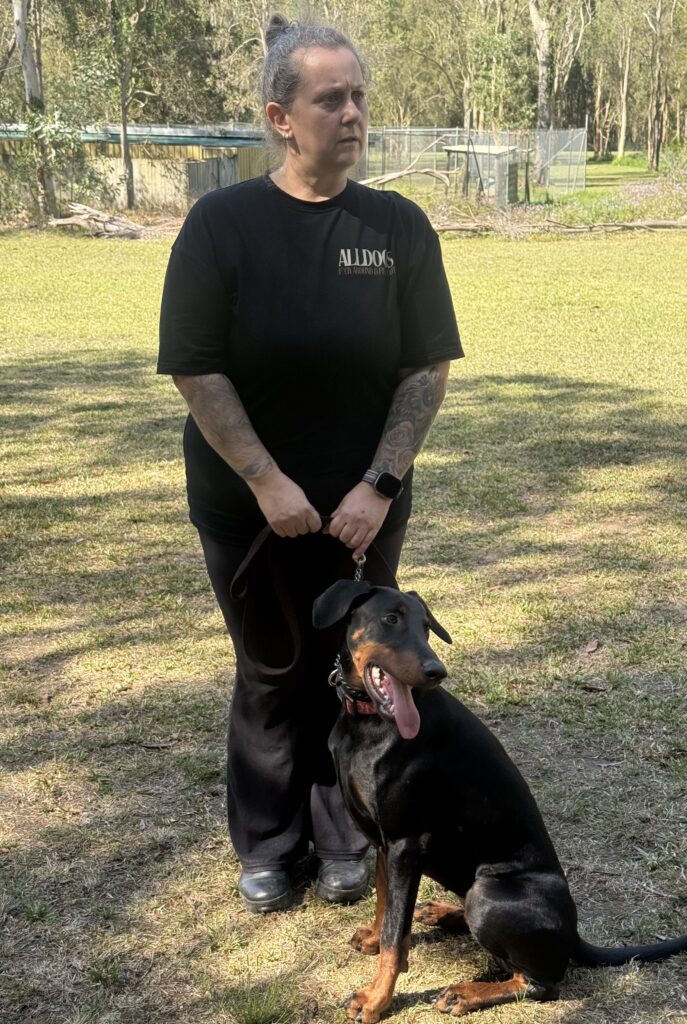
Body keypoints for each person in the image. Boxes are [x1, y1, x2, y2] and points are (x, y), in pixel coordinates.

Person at [157, 13, 463, 913]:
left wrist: (379, 486)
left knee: (359, 667)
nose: (353, 113)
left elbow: (425, 368)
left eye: (360, 96)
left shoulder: (398, 227)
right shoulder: (221, 225)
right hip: (248, 508)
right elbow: (196, 367)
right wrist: (265, 480)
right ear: (280, 117)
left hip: (365, 508)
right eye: (331, 99)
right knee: (272, 667)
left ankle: (343, 835)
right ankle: (268, 842)